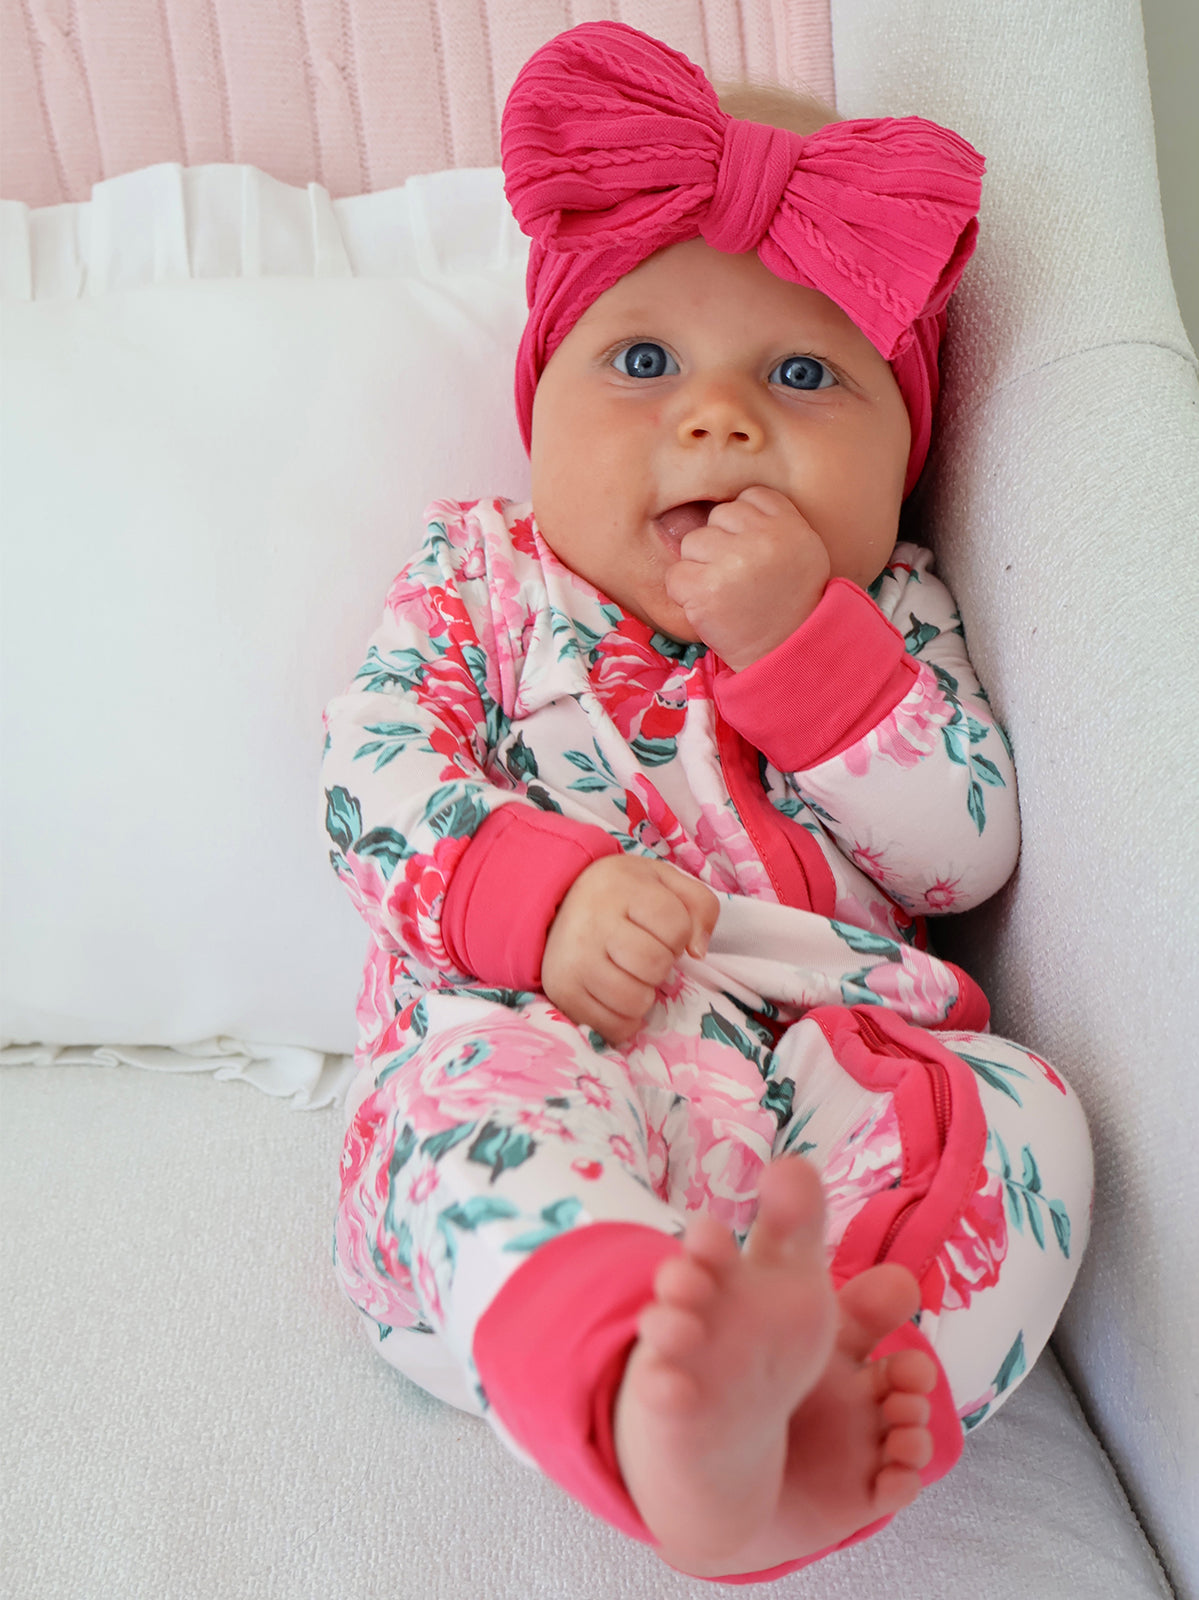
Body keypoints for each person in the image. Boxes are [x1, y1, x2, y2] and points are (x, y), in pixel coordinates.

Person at [321, 20, 1093, 1582]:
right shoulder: (482, 573)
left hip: (832, 1087)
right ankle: (630, 1396)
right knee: (460, 1116)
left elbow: (963, 847)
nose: (719, 420)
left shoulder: (893, 609)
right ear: (539, 404)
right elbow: (370, 781)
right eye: (644, 362)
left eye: (804, 375)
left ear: (905, 452)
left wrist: (806, 645)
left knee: (1027, 1121)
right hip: (548, 1042)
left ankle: (835, 1402)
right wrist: (542, 902)